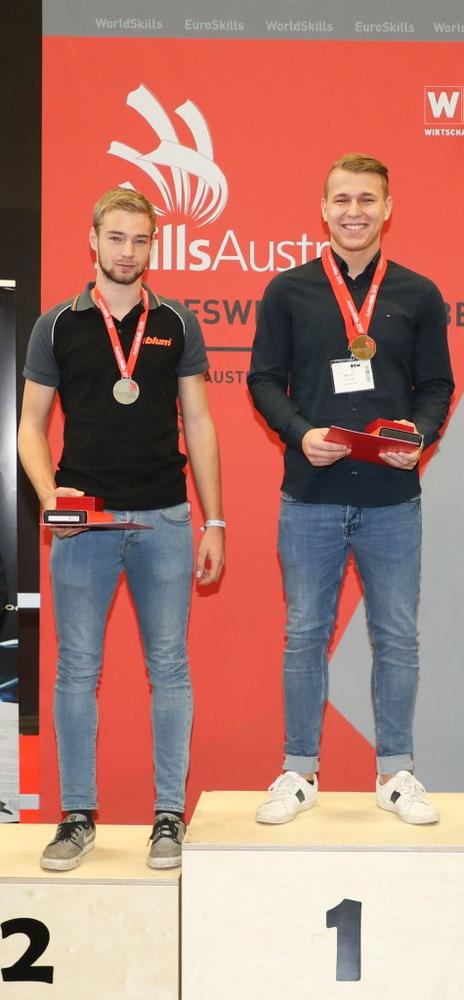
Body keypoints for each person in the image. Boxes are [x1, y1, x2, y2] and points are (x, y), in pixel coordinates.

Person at [18, 188, 225, 870]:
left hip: (165, 519)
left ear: (152, 245)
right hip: (86, 527)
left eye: (140, 239)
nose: (128, 251)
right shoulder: (56, 325)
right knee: (77, 671)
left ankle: (168, 817)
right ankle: (77, 817)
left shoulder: (177, 322)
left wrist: (214, 519)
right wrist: (52, 498)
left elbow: (199, 423)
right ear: (93, 239)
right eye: (116, 237)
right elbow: (29, 428)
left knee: (170, 669)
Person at [248, 152, 453, 825]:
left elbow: (436, 386)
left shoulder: (419, 294)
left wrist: (418, 434)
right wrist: (298, 433)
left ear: (387, 208)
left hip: (392, 501)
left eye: (367, 199)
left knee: (396, 637)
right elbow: (262, 379)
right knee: (304, 634)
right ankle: (298, 771)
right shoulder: (288, 291)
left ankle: (395, 773)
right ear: (323, 208)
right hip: (309, 495)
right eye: (342, 199)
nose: (354, 211)